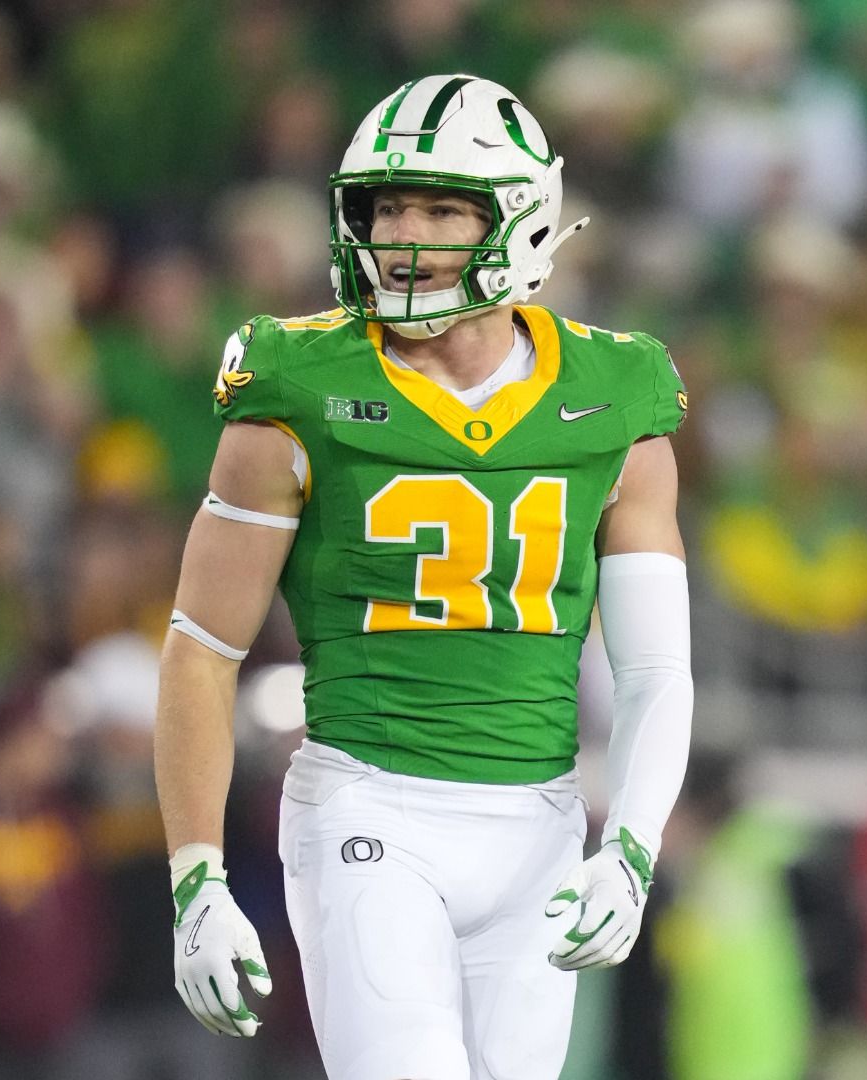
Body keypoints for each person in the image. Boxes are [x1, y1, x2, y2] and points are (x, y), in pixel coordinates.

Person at [154, 76, 693, 1079]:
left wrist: (631, 845)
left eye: (442, 209)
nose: (404, 236)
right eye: (387, 207)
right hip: (369, 806)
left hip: (539, 822)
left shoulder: (615, 394)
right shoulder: (299, 386)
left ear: (522, 218)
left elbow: (658, 670)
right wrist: (196, 877)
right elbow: (200, 650)